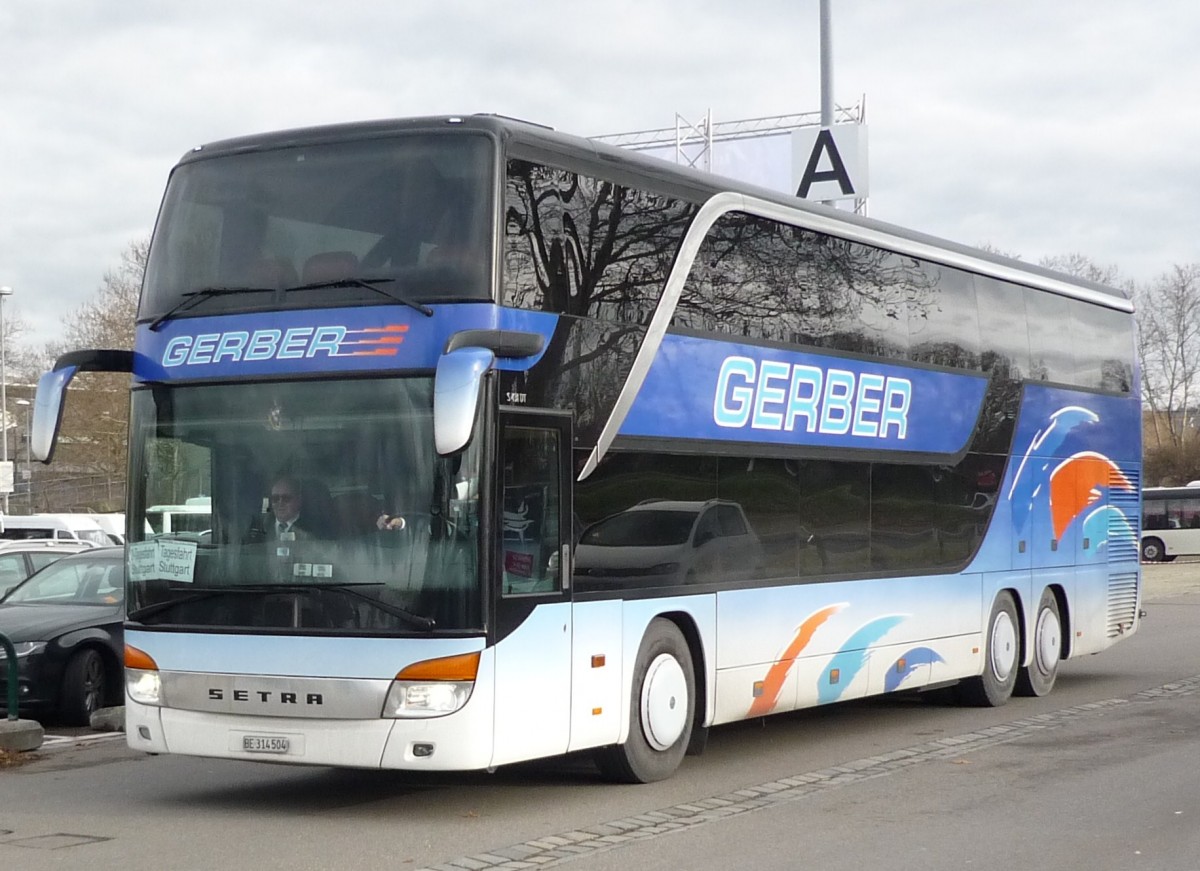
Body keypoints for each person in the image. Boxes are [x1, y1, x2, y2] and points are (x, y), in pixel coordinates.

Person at [267, 474, 310, 540]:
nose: (280, 503)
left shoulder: (311, 530)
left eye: (286, 498)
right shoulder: (260, 527)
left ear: (298, 501)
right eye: (275, 498)